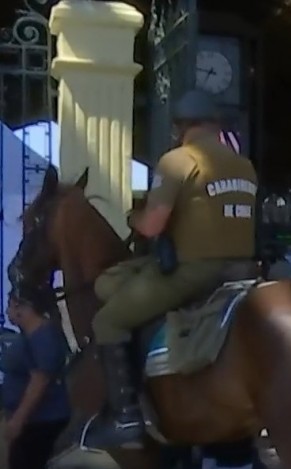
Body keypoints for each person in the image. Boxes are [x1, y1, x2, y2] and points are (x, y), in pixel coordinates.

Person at [85, 88, 260, 450]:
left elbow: (151, 227)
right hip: (241, 270)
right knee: (117, 280)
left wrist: (133, 214)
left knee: (109, 321)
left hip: (195, 272)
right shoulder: (244, 165)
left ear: (180, 127)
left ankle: (127, 417)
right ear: (215, 124)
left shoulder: (178, 161)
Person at [2, 288, 80, 469]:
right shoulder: (29, 335)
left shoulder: (44, 336)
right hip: (34, 416)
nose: (7, 311)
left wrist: (19, 419)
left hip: (44, 416)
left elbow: (40, 382)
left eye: (10, 305)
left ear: (20, 306)